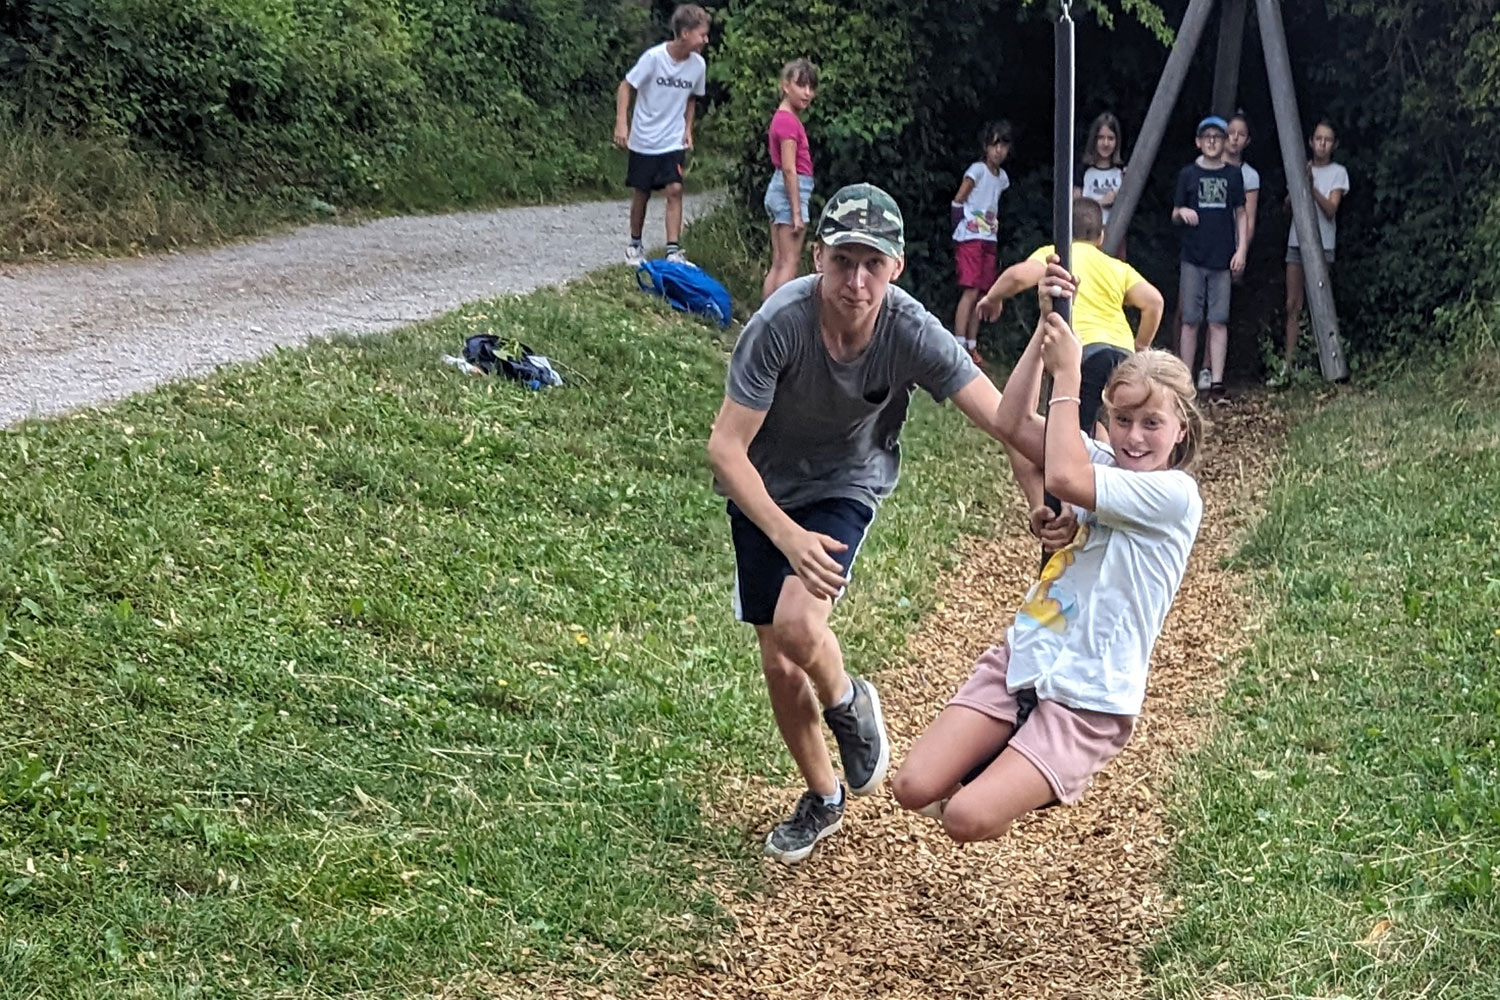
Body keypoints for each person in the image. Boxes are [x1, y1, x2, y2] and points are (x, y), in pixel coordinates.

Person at [706, 183, 1034, 864]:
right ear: (818, 256)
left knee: (801, 626)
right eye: (843, 262)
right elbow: (725, 449)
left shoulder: (910, 329)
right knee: (778, 659)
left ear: (897, 267)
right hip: (764, 489)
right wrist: (785, 535)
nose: (856, 281)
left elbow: (1003, 421)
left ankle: (850, 705)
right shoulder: (780, 323)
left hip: (845, 484)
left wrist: (1054, 490)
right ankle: (823, 795)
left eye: (873, 265)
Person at [890, 262, 1205, 842]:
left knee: (964, 819)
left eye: (1152, 423)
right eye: (1124, 420)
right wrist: (1044, 330)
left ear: (1181, 428)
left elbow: (1063, 471)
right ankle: (1009, 755)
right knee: (912, 786)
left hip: (1089, 693)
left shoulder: (1175, 497)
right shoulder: (1101, 462)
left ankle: (1028, 768)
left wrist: (1069, 378)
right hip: (1026, 656)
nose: (1135, 437)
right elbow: (1010, 423)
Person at [978, 198, 1163, 440]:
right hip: (1124, 357)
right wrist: (1140, 347)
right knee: (1114, 425)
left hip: (1083, 353)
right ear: (1101, 237)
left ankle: (1074, 472)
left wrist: (992, 299)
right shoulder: (1117, 267)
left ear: (1061, 231)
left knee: (1074, 432)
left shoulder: (1057, 256)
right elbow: (1154, 302)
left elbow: (1017, 277)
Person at [614, 4, 710, 266]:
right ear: (685, 33)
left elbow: (691, 98)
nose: (706, 40)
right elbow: (626, 86)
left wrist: (688, 129)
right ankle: (634, 245)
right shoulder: (654, 58)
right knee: (642, 191)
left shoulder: (698, 66)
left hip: (672, 138)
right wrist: (622, 123)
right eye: (702, 34)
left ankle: (673, 250)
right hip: (645, 137)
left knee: (675, 189)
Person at [1172, 115, 1247, 403]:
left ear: (1225, 141)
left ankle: (1217, 383)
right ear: (1198, 142)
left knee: (1218, 320)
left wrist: (1240, 251)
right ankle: (1185, 382)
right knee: (1190, 319)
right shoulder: (1188, 175)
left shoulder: (1233, 175)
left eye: (1218, 137)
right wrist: (1182, 213)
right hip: (1193, 256)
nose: (1213, 141)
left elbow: (1241, 213)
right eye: (1207, 137)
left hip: (1223, 257)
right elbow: (1175, 211)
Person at [1277, 118, 1349, 384]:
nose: (1322, 144)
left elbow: (1331, 209)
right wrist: (1296, 188)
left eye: (1327, 140)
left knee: (1320, 303)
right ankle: (1289, 364)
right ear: (1310, 142)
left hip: (1322, 245)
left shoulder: (1338, 173)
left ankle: (1325, 362)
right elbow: (1287, 209)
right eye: (1318, 139)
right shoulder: (1301, 168)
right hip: (1296, 242)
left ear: (1334, 145)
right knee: (1292, 304)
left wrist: (1311, 185)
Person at [949, 121, 1014, 366]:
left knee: (983, 293)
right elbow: (958, 200)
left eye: (1003, 145)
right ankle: (958, 346)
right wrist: (959, 228)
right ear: (986, 146)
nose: (998, 151)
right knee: (970, 289)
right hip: (970, 237)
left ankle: (972, 346)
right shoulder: (976, 170)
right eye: (994, 144)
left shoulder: (1002, 178)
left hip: (989, 238)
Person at [762, 58, 819, 300]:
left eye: (811, 87)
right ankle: (775, 321)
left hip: (781, 191)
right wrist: (796, 212)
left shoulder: (785, 117)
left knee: (779, 262)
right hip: (789, 192)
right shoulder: (787, 121)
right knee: (789, 263)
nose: (807, 93)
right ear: (786, 86)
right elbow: (789, 168)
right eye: (801, 85)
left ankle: (764, 320)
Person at [1073, 112, 1126, 252]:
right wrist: (1102, 201)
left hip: (1116, 232)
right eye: (1101, 138)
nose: (1106, 143)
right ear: (1094, 140)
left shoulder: (1122, 172)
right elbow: (1075, 206)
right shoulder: (1083, 170)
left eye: (1111, 138)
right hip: (1087, 236)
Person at [1225, 111, 1260, 260]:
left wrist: (1241, 251)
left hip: (1231, 245)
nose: (1235, 138)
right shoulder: (1205, 166)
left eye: (1241, 134)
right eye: (1230, 132)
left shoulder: (1250, 175)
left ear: (1247, 141)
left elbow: (1249, 219)